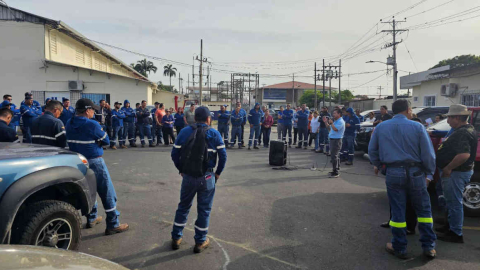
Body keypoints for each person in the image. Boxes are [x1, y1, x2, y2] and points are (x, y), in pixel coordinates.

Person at [368, 99, 436, 260]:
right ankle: (429, 247)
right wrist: (429, 173)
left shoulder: (381, 127)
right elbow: (428, 154)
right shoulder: (418, 127)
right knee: (424, 211)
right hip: (416, 173)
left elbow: (372, 150)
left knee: (398, 211)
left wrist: (380, 165)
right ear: (407, 110)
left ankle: (399, 247)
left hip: (393, 172)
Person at [66, 98, 129, 235]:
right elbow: (106, 141)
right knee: (107, 192)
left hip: (77, 161)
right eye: (93, 110)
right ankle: (113, 224)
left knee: (88, 190)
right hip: (94, 161)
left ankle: (91, 218)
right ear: (87, 111)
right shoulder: (92, 124)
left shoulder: (69, 123)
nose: (94, 112)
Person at [170, 106, 227, 253]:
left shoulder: (184, 131)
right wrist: (218, 173)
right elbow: (223, 156)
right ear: (209, 119)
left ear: (194, 118)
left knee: (183, 206)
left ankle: (176, 238)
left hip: (188, 176)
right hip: (207, 177)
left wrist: (181, 170)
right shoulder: (214, 134)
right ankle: (200, 241)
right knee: (204, 210)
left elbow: (174, 154)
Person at [435, 104, 477, 243]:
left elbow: (464, 155)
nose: (448, 121)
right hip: (458, 172)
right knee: (451, 201)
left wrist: (448, 168)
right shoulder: (466, 129)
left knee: (454, 203)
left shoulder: (462, 133)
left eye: (450, 118)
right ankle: (450, 226)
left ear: (457, 118)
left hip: (456, 173)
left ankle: (455, 233)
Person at [324, 108, 344, 177]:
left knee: (334, 156)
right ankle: (335, 169)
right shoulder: (335, 121)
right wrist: (326, 122)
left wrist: (331, 123)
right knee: (335, 156)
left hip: (337, 140)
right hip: (332, 139)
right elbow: (330, 129)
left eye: (335, 113)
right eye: (333, 113)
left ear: (339, 114)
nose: (333, 114)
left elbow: (335, 129)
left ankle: (336, 172)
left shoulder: (341, 121)